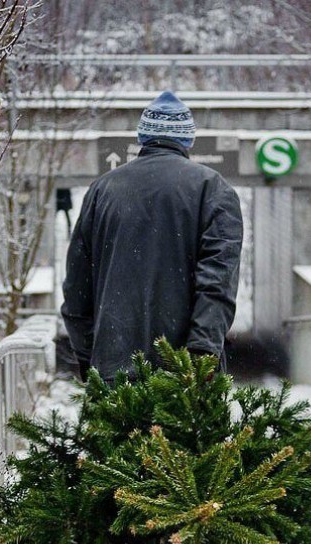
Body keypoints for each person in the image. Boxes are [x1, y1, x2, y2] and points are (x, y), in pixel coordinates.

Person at [61, 90, 243, 382]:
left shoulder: (102, 191)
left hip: (113, 370)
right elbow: (217, 283)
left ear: (143, 138)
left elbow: (76, 288)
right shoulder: (214, 190)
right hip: (187, 377)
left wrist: (88, 355)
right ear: (188, 140)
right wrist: (202, 354)